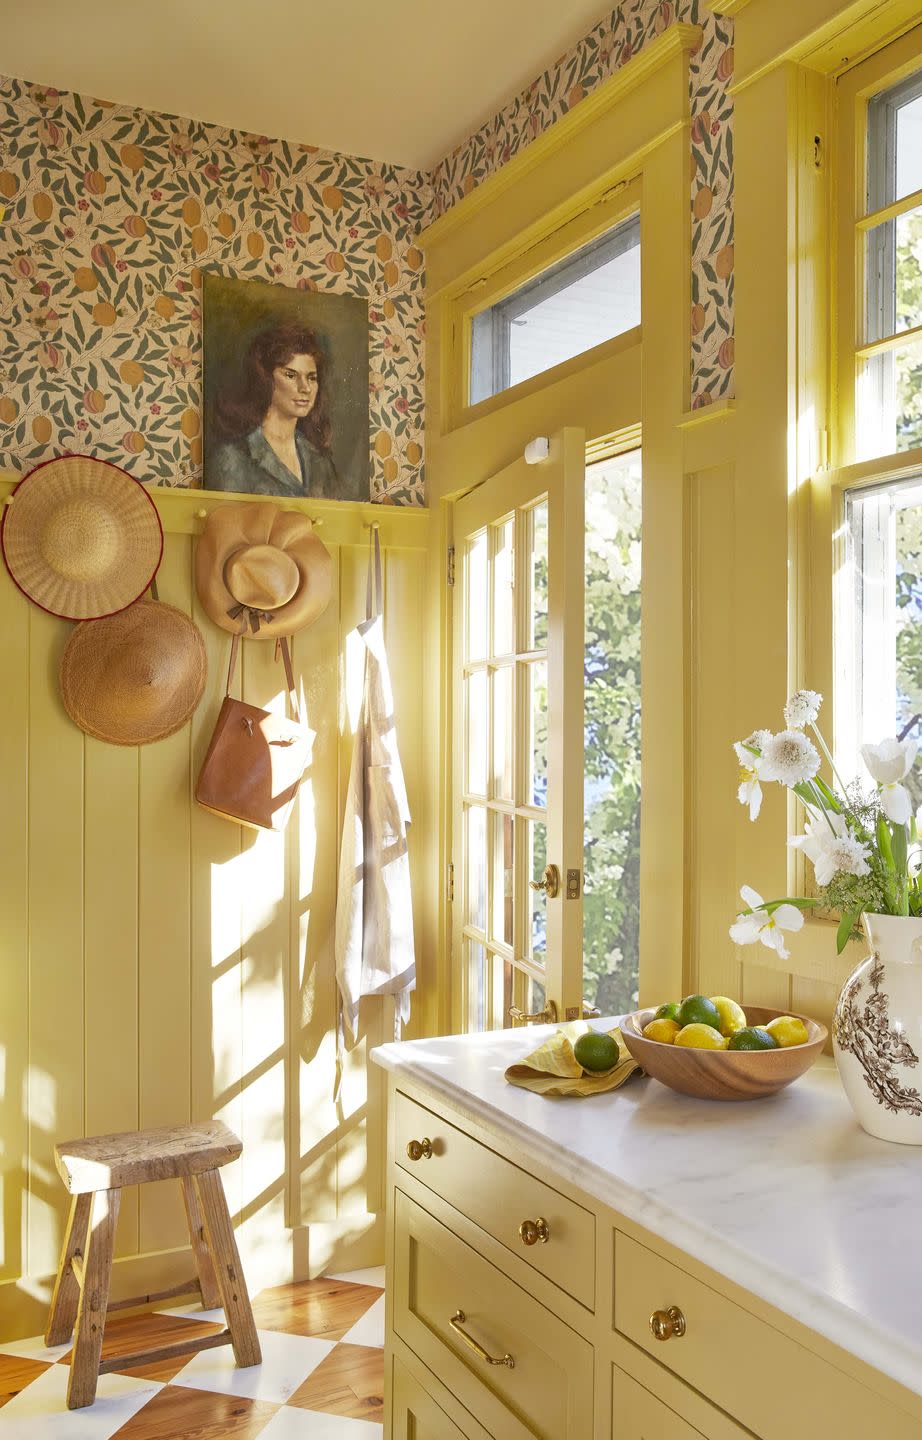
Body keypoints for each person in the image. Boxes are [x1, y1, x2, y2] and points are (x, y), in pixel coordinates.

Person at [208, 324, 340, 498]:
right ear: (266, 379)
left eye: (311, 378)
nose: (305, 388)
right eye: (291, 375)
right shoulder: (232, 457)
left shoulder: (320, 462)